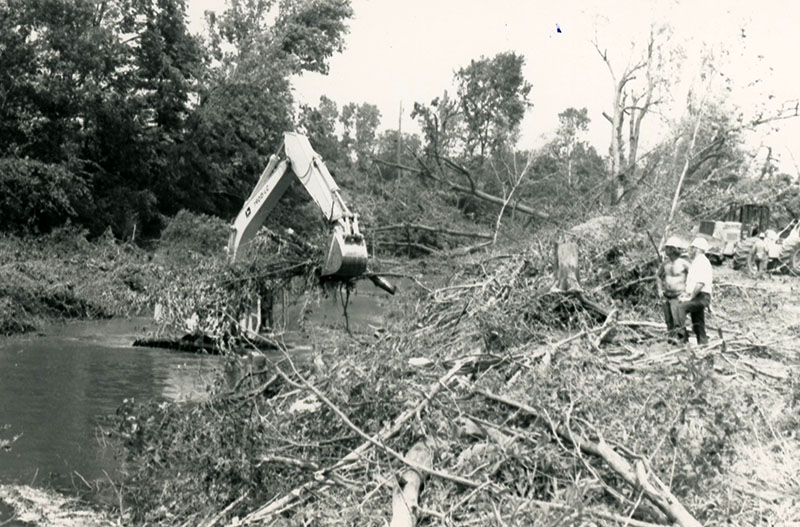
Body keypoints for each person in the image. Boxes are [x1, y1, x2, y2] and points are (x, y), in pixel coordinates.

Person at [675, 237, 713, 345]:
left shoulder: (701, 262)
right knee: (698, 322)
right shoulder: (700, 261)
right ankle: (703, 343)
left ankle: (683, 340)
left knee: (680, 308)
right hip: (701, 296)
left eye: (692, 248)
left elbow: (700, 283)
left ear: (697, 249)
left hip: (700, 296)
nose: (690, 251)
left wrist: (691, 297)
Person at [657, 236, 689, 342]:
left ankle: (683, 342)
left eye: (668, 248)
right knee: (668, 321)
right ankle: (671, 341)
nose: (666, 250)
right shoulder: (665, 263)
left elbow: (693, 276)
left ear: (674, 249)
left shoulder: (684, 263)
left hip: (678, 296)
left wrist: (687, 292)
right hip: (666, 295)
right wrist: (659, 290)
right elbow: (658, 276)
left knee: (678, 321)